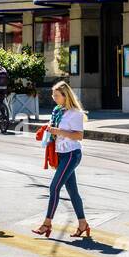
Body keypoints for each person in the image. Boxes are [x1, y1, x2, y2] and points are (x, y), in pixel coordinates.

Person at [33, 81, 89, 239]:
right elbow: (56, 130)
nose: (53, 98)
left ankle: (47, 223)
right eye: (53, 95)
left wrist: (58, 131)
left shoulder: (75, 113)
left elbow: (79, 136)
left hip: (72, 154)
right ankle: (83, 223)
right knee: (73, 192)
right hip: (61, 154)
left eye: (56, 95)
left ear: (65, 96)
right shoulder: (57, 111)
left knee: (54, 187)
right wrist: (49, 129)